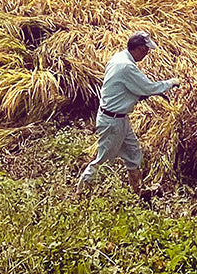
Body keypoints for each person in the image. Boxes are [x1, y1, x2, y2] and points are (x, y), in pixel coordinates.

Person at [76, 31, 180, 200]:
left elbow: (123, 88)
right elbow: (147, 88)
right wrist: (170, 83)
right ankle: (81, 195)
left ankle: (137, 192)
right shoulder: (127, 66)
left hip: (119, 118)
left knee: (133, 153)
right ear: (139, 49)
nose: (147, 54)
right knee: (104, 160)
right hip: (112, 121)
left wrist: (137, 94)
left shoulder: (118, 58)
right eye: (146, 50)